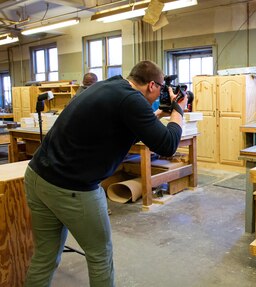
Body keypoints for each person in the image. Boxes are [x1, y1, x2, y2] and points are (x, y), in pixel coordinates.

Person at [23, 60, 186, 287]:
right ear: (151, 85)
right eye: (161, 89)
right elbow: (168, 145)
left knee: (45, 256)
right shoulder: (132, 100)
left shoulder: (111, 86)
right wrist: (178, 111)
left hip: (37, 176)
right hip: (72, 188)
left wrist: (157, 114)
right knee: (100, 255)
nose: (162, 94)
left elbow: (125, 123)